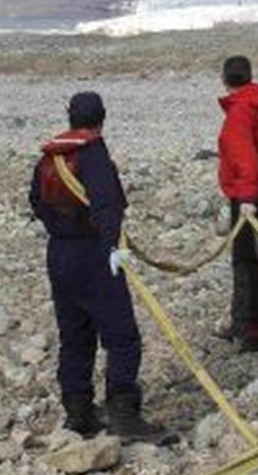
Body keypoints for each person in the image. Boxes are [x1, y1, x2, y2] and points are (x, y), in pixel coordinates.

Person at [29, 92, 167, 442]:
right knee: (122, 336)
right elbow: (106, 204)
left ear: (70, 117)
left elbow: (36, 200)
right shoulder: (92, 154)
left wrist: (61, 229)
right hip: (93, 253)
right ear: (102, 118)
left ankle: (78, 412)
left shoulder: (50, 156)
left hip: (59, 252)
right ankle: (123, 414)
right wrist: (111, 247)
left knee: (74, 335)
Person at [217, 55, 258, 353]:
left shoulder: (240, 113)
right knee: (250, 262)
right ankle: (242, 322)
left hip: (251, 199)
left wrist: (246, 199)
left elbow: (244, 159)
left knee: (247, 265)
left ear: (225, 79)